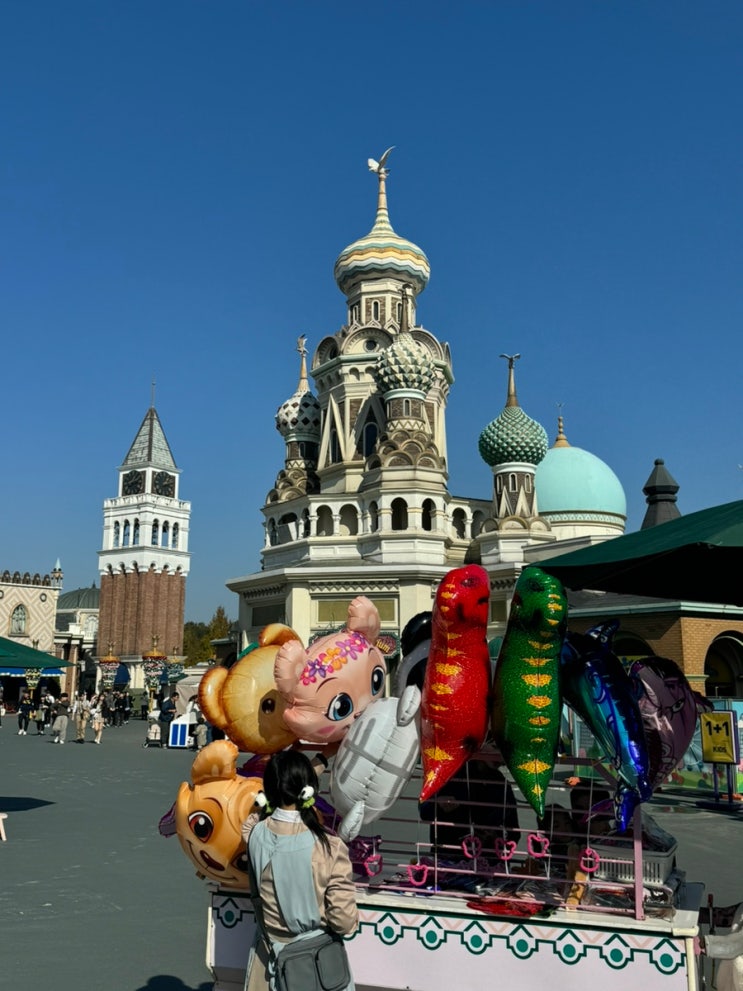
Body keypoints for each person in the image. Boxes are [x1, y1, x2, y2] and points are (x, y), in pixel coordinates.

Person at [241, 749, 358, 991]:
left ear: (269, 790)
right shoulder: (330, 847)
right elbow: (344, 922)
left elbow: (256, 818)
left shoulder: (254, 834)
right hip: (316, 968)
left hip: (269, 960)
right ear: (310, 791)